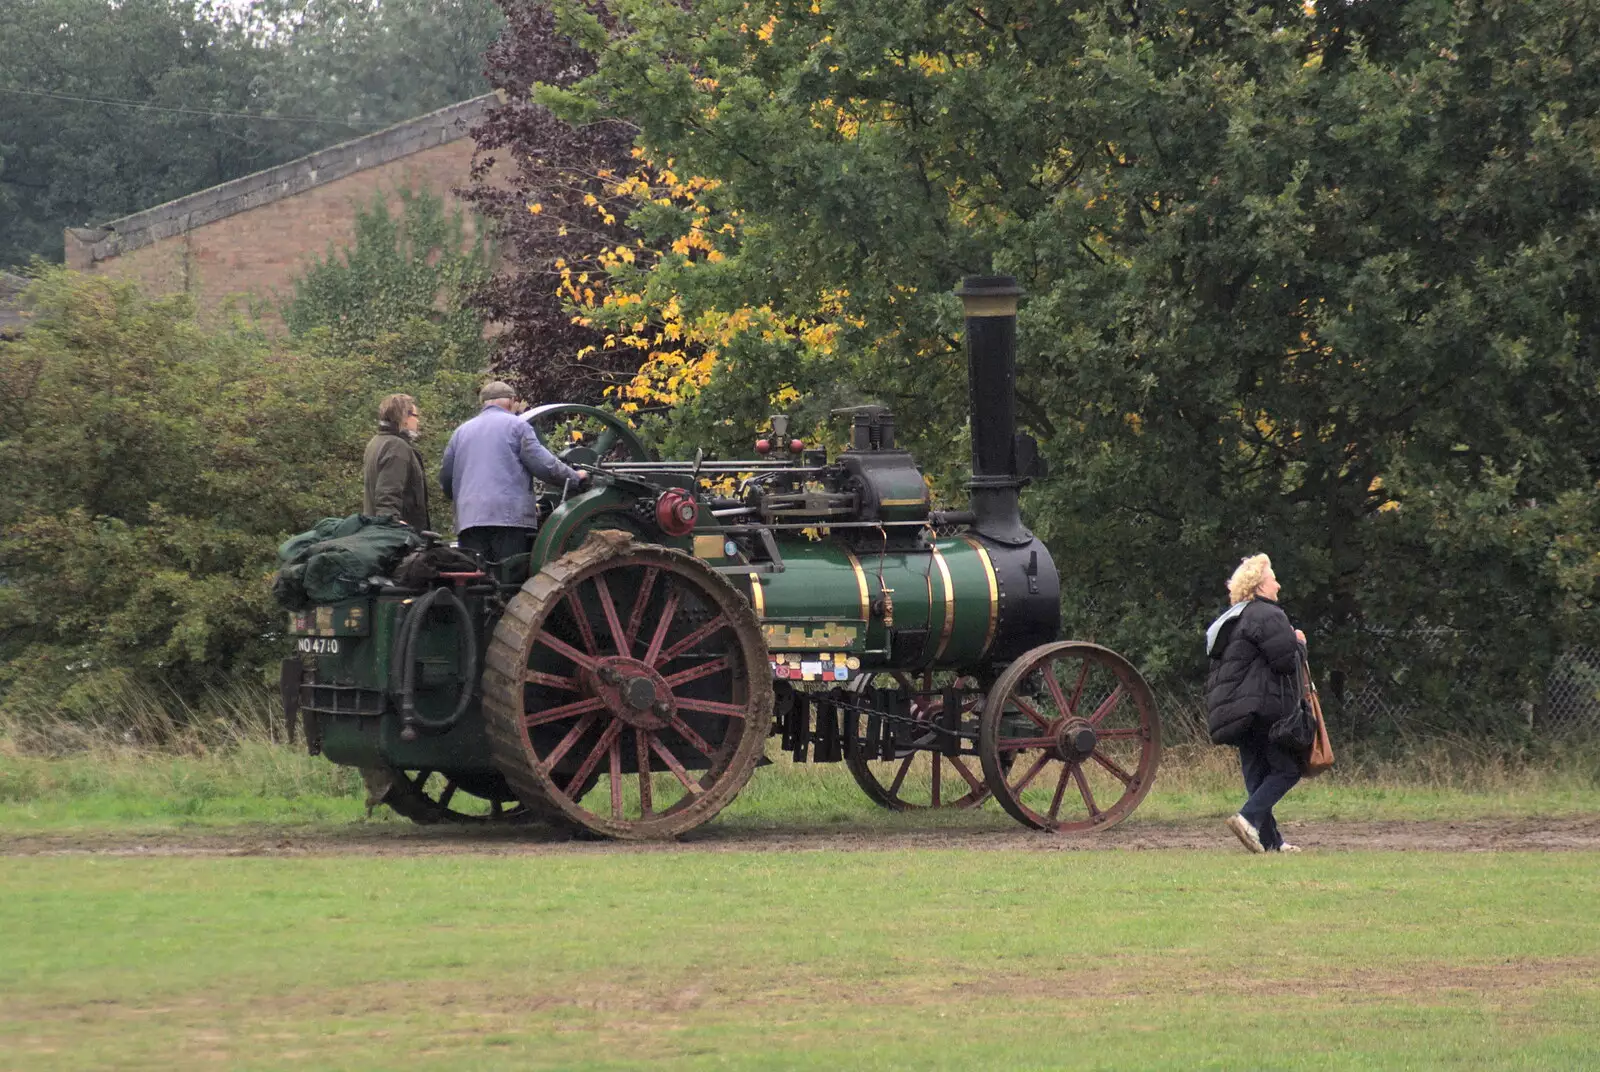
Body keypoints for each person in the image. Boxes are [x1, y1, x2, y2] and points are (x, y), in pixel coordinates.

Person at [1204, 553, 1309, 854]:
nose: (1278, 583)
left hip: (1233, 710)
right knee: (1287, 770)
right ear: (1260, 585)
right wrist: (1299, 643)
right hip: (1262, 707)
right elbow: (1285, 661)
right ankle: (1247, 819)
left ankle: (1271, 842)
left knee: (1257, 775)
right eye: (1273, 577)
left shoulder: (1231, 620)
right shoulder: (1268, 614)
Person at [439, 380, 587, 564]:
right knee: (507, 579)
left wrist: (464, 502)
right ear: (511, 401)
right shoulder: (517, 426)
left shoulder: (460, 432)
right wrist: (574, 477)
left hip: (469, 520)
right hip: (508, 520)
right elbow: (544, 466)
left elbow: (446, 478)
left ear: (483, 403)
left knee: (476, 579)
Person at [362, 393, 431, 532]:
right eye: (416, 416)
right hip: (400, 538)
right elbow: (388, 494)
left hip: (376, 530)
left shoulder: (376, 442)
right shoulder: (396, 446)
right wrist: (392, 528)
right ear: (404, 417)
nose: (418, 422)